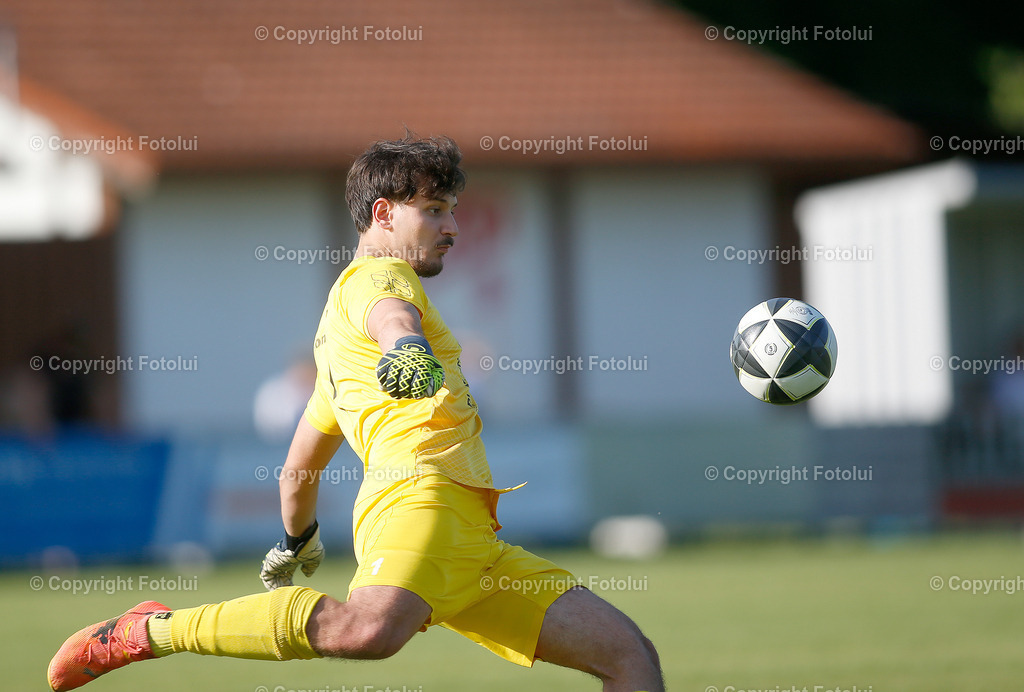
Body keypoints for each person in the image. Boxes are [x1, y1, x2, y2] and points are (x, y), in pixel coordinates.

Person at [47, 135, 664, 692]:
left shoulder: (337, 350)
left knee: (628, 655)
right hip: (420, 502)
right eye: (435, 210)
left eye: (452, 210)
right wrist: (406, 346)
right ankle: (150, 631)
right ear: (383, 213)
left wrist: (297, 539)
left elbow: (296, 472)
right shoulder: (379, 278)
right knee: (368, 631)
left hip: (472, 541)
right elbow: (393, 318)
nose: (452, 227)